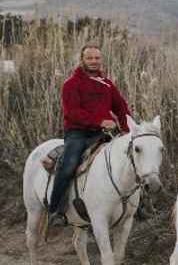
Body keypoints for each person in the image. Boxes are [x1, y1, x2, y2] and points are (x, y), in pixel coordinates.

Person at [48, 44, 132, 226]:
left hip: (102, 133)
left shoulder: (107, 84)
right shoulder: (71, 84)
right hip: (78, 133)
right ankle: (56, 211)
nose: (94, 62)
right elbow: (73, 113)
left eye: (97, 58)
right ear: (82, 60)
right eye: (89, 58)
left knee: (129, 160)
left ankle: (136, 206)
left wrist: (128, 131)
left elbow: (121, 108)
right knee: (69, 164)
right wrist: (100, 121)